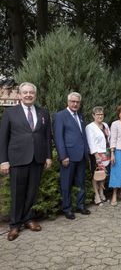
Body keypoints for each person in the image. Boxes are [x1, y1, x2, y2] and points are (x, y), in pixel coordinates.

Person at [0, 82, 52, 241]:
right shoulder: (10, 113)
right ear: (20, 95)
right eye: (25, 92)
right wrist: (3, 161)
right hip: (18, 158)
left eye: (31, 92)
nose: (28, 95)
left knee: (32, 192)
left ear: (35, 95)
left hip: (37, 158)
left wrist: (48, 156)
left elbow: (47, 136)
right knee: (17, 192)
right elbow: (3, 138)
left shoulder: (43, 113)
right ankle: (15, 225)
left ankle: (28, 219)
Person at [54, 92, 90, 220]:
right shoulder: (60, 116)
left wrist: (86, 151)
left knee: (81, 182)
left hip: (81, 156)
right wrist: (63, 156)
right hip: (68, 157)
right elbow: (58, 138)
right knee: (66, 184)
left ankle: (80, 205)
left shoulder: (80, 115)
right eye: (73, 101)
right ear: (68, 102)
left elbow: (82, 135)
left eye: (77, 102)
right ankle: (67, 208)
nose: (75, 104)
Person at [85, 106, 111, 206]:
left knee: (104, 174)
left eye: (101, 114)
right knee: (96, 175)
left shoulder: (105, 125)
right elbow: (91, 142)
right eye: (98, 114)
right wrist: (96, 156)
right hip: (97, 154)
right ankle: (96, 196)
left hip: (106, 153)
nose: (100, 116)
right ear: (93, 115)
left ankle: (102, 193)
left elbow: (108, 138)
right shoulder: (89, 127)